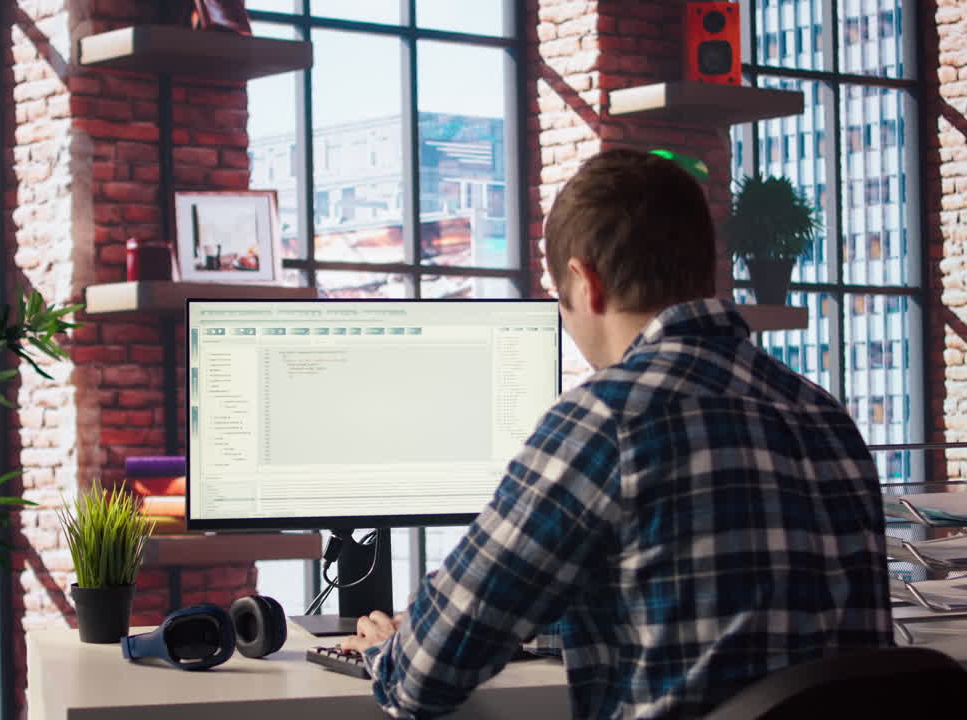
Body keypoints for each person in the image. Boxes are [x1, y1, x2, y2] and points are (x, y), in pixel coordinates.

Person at [339, 149, 893, 719]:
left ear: (586, 283)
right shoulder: (823, 415)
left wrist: (388, 648)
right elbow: (730, 617)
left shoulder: (607, 418)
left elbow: (424, 675)